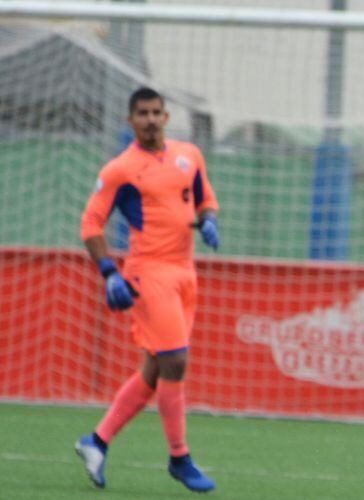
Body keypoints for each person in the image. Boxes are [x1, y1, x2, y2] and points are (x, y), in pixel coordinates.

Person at [74, 87, 219, 492]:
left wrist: (209, 221)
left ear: (167, 117)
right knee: (175, 361)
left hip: (185, 274)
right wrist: (109, 272)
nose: (151, 119)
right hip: (148, 274)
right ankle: (179, 458)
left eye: (157, 112)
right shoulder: (121, 169)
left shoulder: (189, 155)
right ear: (130, 120)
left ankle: (96, 441)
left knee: (156, 370)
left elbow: (206, 200)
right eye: (143, 113)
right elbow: (90, 225)